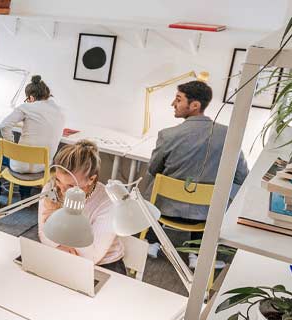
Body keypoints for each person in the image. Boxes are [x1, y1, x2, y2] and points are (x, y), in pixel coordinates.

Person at [147, 80, 248, 268]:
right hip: (204, 215)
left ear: (194, 105)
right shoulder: (228, 134)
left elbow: (153, 169)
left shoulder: (168, 135)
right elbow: (242, 176)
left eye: (178, 100)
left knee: (153, 186)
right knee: (208, 199)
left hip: (166, 210)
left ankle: (152, 241)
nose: (172, 104)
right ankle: (196, 253)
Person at [38, 140, 126, 273]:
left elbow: (93, 254)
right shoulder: (52, 188)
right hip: (60, 253)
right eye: (58, 180)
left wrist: (62, 248)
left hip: (103, 264)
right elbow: (44, 232)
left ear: (91, 179)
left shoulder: (107, 201)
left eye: (71, 186)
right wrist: (60, 248)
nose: (62, 190)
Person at [0, 75, 65, 208]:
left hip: (21, 166)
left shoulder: (26, 108)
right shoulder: (59, 112)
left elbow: (4, 125)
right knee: (30, 151)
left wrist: (11, 145)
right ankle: (25, 198)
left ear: (31, 98)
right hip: (44, 166)